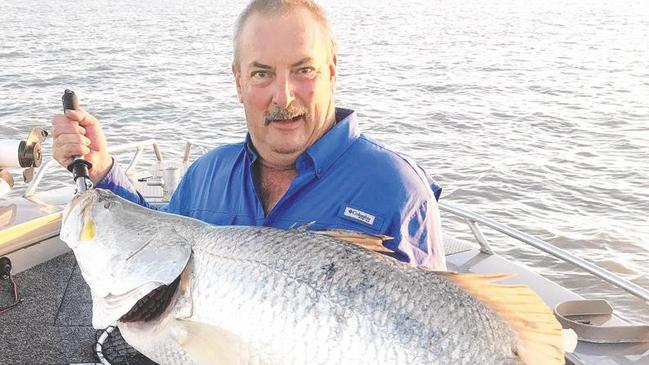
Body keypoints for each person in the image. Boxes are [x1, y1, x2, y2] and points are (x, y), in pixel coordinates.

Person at [52, 0, 447, 270]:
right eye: (261, 73)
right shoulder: (206, 173)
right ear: (238, 82)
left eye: (303, 70)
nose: (284, 96)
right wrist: (103, 171)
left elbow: (440, 330)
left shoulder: (399, 191)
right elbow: (160, 253)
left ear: (331, 71)